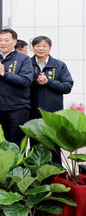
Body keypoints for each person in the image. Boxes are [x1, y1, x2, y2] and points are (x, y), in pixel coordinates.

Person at [0, 29, 33, 145]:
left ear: (14, 42)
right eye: (0, 40)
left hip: (18, 108)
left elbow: (26, 81)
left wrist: (5, 74)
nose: (3, 43)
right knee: (0, 143)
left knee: (16, 144)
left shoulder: (23, 59)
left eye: (7, 40)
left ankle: (18, 164)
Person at [30, 36, 73, 164]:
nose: (41, 49)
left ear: (50, 48)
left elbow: (67, 86)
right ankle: (35, 176)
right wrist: (35, 81)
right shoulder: (27, 63)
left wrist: (49, 82)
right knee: (34, 144)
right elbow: (22, 83)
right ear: (33, 48)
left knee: (54, 144)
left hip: (53, 113)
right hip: (32, 112)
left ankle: (56, 176)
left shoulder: (59, 65)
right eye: (38, 46)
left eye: (44, 46)